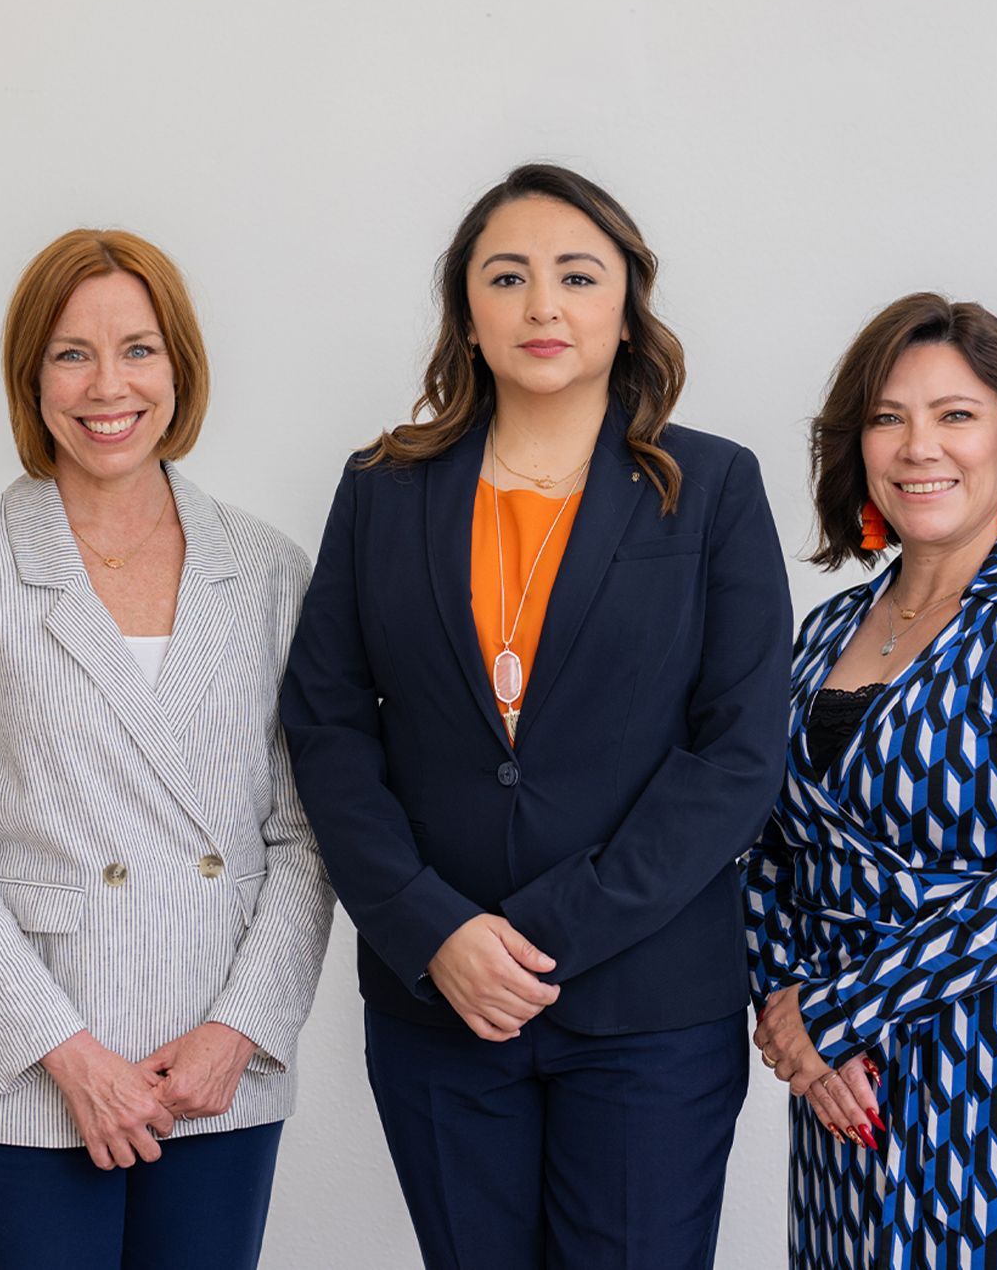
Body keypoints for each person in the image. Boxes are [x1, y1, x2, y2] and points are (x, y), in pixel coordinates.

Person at [280, 163, 792, 1269]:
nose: (543, 306)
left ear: (626, 307)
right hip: (441, 1012)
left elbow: (739, 752)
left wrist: (546, 930)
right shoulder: (382, 488)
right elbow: (326, 729)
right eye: (506, 277)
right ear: (467, 312)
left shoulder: (709, 489)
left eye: (577, 276)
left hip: (649, 1009)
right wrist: (432, 928)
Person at [0, 228, 334, 1269]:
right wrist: (68, 1055)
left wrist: (241, 1030)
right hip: (29, 1077)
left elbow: (307, 834)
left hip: (216, 1073)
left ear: (180, 366)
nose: (107, 385)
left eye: (138, 348)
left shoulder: (266, 570)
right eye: (71, 353)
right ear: (30, 376)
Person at [745, 293, 997, 1269]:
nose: (918, 446)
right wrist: (785, 1005)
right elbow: (760, 842)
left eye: (954, 415)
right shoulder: (821, 635)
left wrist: (834, 1011)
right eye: (889, 416)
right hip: (849, 1079)